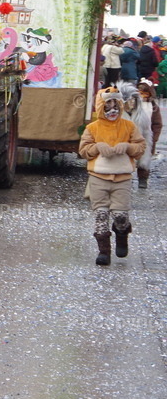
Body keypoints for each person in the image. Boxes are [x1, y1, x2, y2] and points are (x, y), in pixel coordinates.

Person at [78, 87, 145, 265]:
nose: (112, 111)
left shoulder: (129, 126)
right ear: (101, 108)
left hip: (122, 177)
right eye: (108, 108)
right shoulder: (92, 128)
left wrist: (128, 147)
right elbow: (84, 151)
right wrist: (97, 147)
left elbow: (140, 147)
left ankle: (122, 233)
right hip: (98, 177)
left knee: (120, 215)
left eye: (116, 107)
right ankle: (104, 252)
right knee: (100, 214)